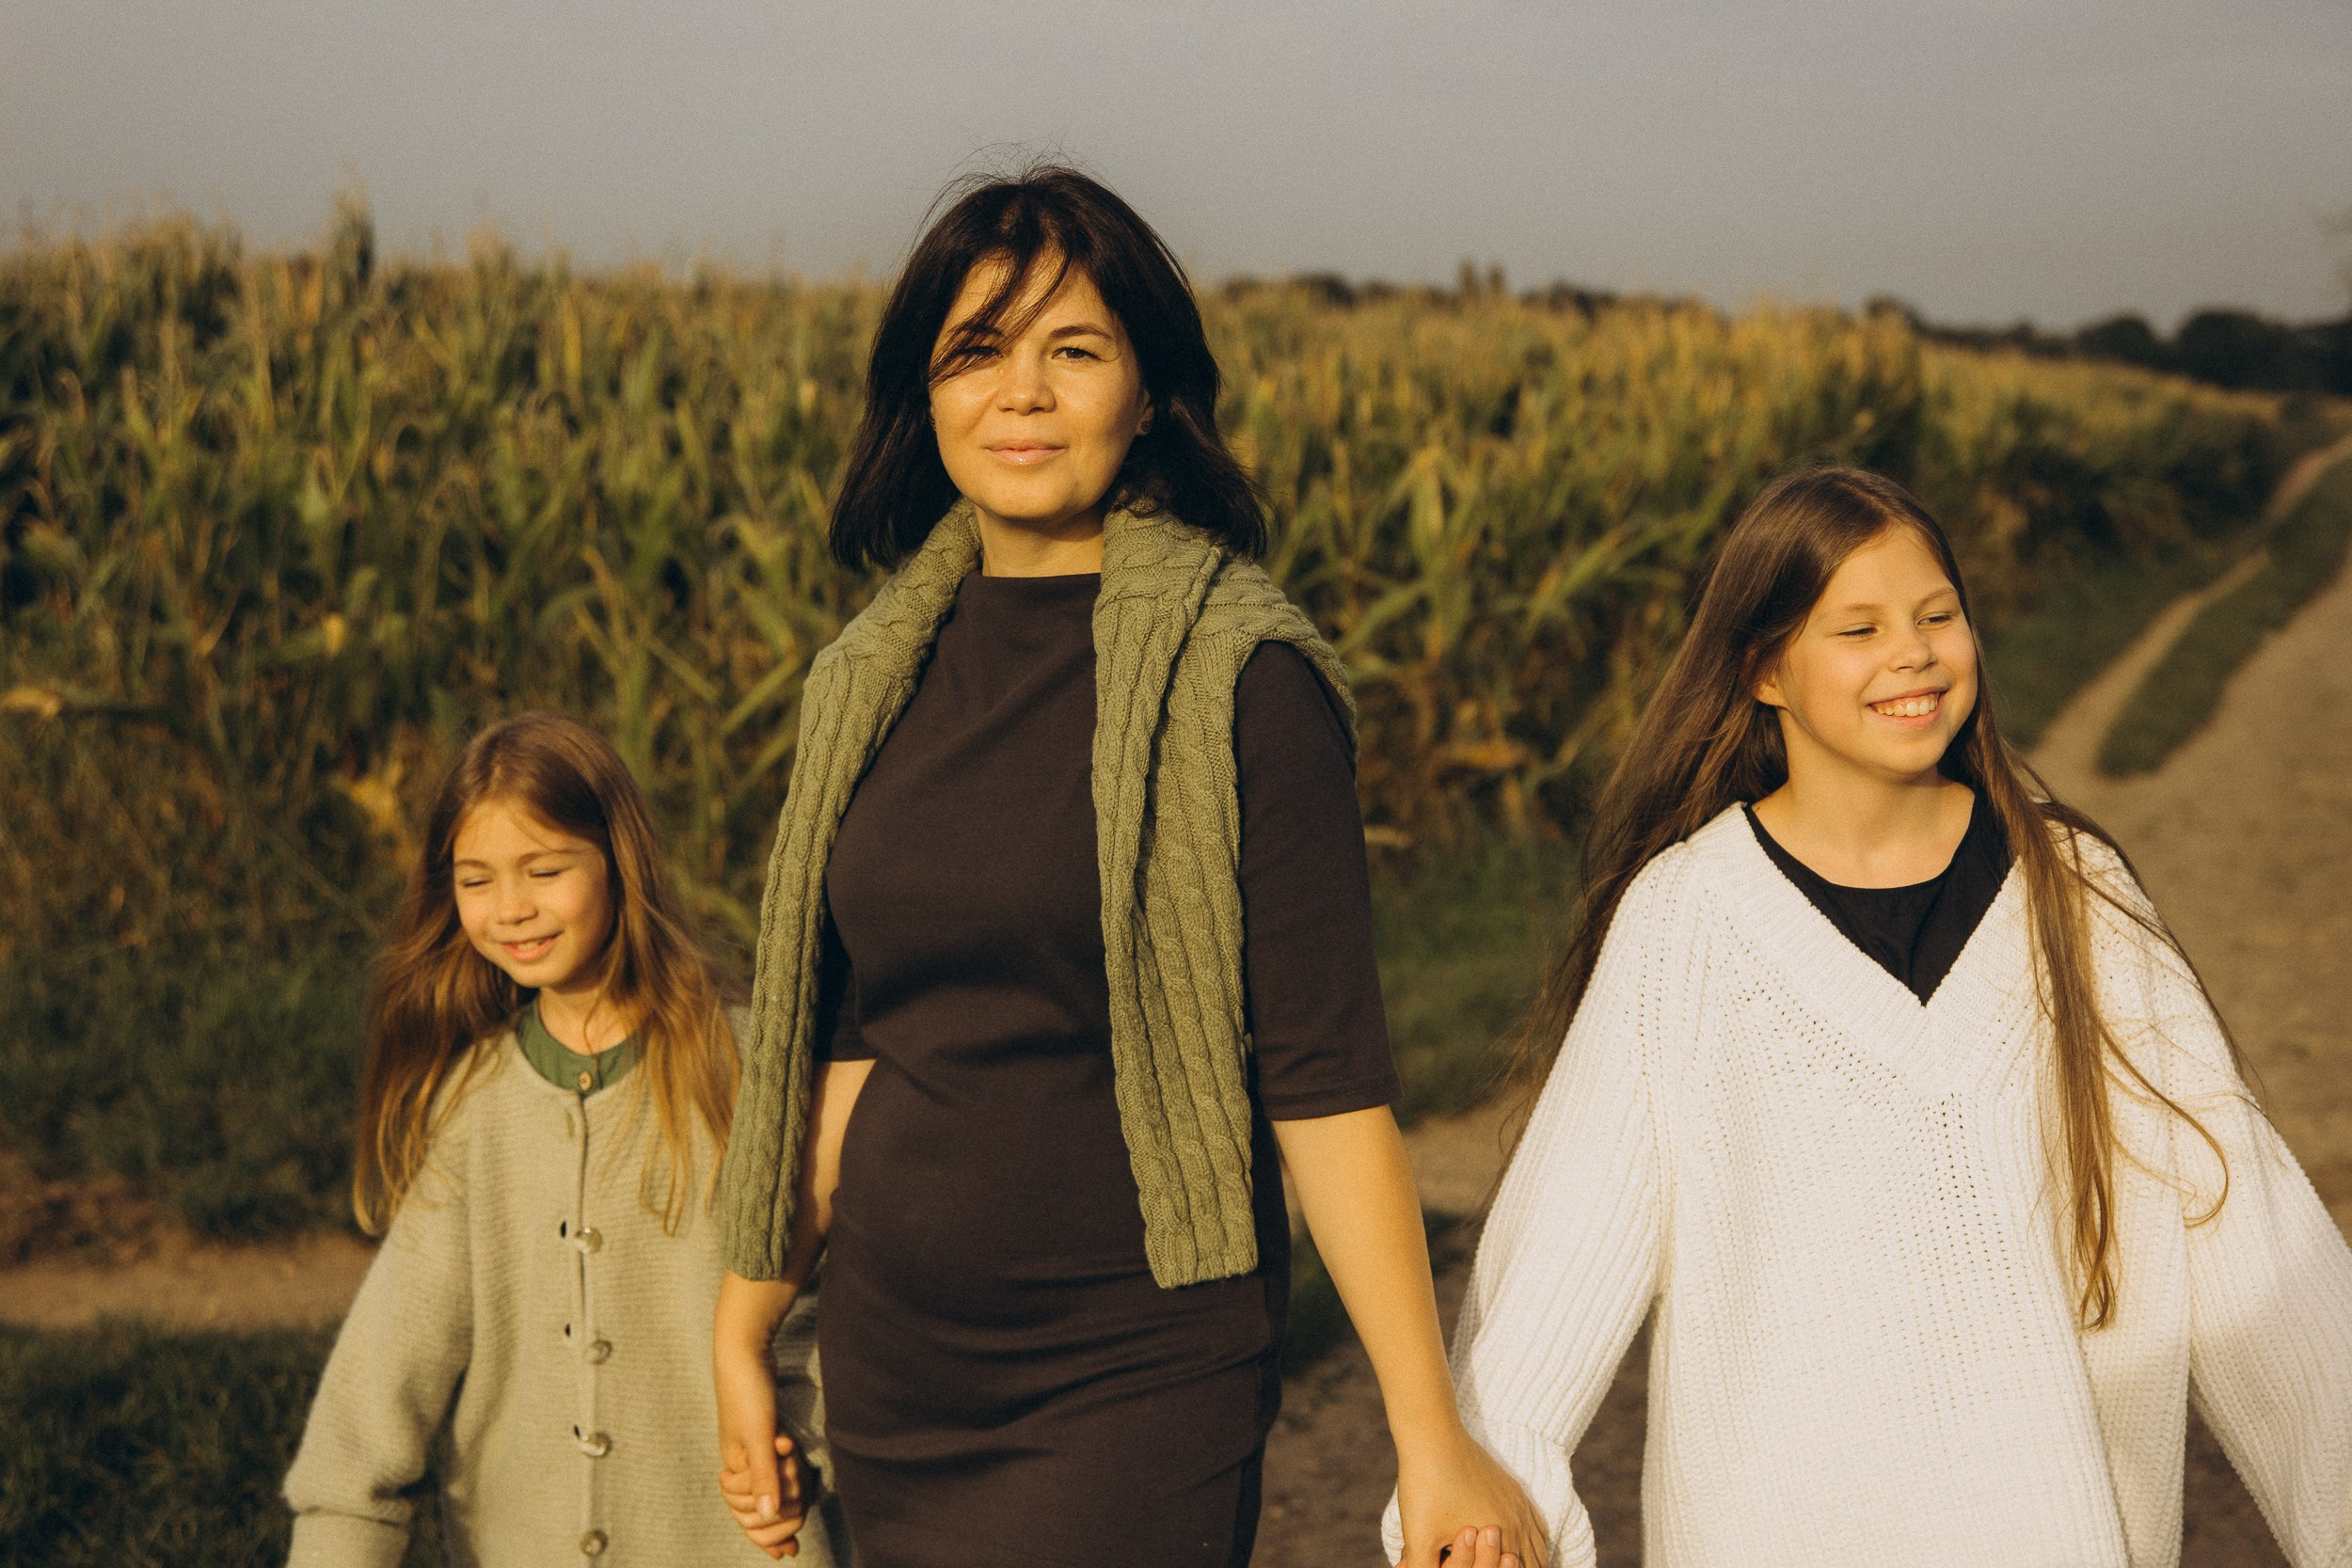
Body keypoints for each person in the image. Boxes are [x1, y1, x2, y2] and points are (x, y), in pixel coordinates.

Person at [709, 166, 1542, 1568]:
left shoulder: (1241, 677)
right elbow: (850, 1045)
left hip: (1132, 1373)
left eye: (1073, 350)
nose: (1021, 393)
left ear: (1149, 394)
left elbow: (1327, 1083)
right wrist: (745, 1325)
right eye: (977, 350)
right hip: (899, 1368)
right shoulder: (866, 676)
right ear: (927, 392)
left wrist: (1429, 1427)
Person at [1401, 466, 2352, 1567]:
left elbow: (2241, 1220)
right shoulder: (1688, 922)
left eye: (1937, 614)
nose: (1913, 651)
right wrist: (1487, 1492)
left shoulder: (2075, 894)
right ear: (1763, 670)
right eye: (1857, 627)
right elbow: (1564, 1243)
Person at [284, 712, 841, 1567]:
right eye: (476, 879)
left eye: (544, 870)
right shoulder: (470, 1104)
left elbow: (829, 1313)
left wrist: (803, 1450)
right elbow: (379, 1387)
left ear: (620, 864)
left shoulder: (746, 1064)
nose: (511, 908)